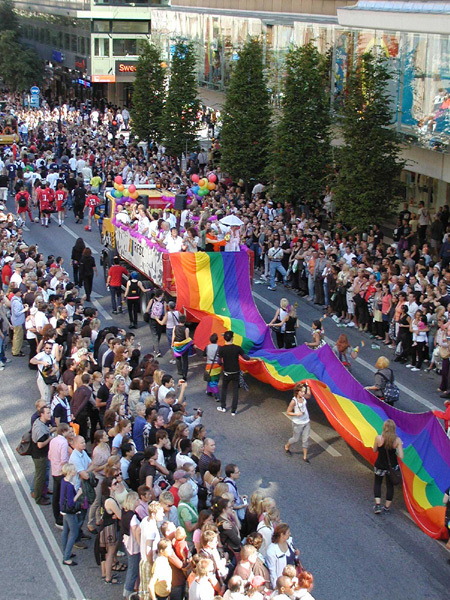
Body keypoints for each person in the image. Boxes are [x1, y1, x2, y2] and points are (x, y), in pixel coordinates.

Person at [373, 419, 404, 514]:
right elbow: (401, 456)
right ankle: (387, 507)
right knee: (390, 486)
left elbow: (374, 450)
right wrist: (398, 448)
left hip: (380, 465)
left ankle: (378, 505)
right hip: (392, 467)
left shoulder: (378, 438)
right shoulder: (397, 440)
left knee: (378, 483)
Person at [217, 331, 249, 416]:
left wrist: (222, 365)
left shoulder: (222, 349)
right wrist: (255, 358)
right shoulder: (237, 348)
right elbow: (246, 357)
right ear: (232, 338)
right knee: (235, 391)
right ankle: (233, 410)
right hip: (236, 372)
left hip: (226, 372)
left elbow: (219, 361)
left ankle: (223, 407)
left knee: (224, 389)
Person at [60, 462, 83, 567]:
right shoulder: (69, 486)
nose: (75, 471)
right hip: (70, 512)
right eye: (73, 470)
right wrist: (78, 494)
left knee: (65, 531)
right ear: (70, 472)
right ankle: (66, 557)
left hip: (64, 510)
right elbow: (71, 502)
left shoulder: (63, 482)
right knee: (74, 532)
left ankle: (65, 551)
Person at [48, 422, 71, 527]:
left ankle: (56, 517)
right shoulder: (64, 443)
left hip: (54, 470)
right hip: (61, 472)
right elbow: (64, 460)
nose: (69, 432)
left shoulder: (53, 440)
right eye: (68, 430)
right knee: (63, 495)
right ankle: (62, 518)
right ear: (63, 431)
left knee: (56, 496)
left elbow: (49, 455)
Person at [31, 405, 53, 505]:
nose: (50, 415)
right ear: (42, 414)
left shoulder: (40, 422)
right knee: (40, 476)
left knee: (41, 475)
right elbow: (40, 445)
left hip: (41, 455)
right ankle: (38, 497)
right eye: (48, 413)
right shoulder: (40, 428)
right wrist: (50, 439)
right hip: (40, 456)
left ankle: (42, 492)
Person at [284, 383, 312, 464]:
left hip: (306, 421)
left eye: (304, 391)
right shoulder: (294, 401)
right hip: (297, 423)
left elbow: (309, 396)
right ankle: (287, 446)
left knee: (305, 439)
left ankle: (305, 457)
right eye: (302, 392)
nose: (304, 393)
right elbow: (288, 412)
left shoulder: (304, 397)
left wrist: (309, 387)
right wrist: (296, 414)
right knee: (295, 439)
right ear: (297, 392)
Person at [266, 523, 298, 590]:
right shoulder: (271, 551)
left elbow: (293, 557)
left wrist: (296, 554)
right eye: (288, 533)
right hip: (284, 583)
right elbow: (272, 571)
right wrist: (276, 586)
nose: (289, 534)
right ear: (282, 535)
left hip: (293, 577)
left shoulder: (289, 542)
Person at [172, 314, 191, 380]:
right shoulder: (186, 329)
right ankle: (184, 374)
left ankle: (180, 371)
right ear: (185, 321)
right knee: (185, 360)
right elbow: (187, 338)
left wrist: (172, 344)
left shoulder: (175, 327)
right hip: (183, 346)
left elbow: (173, 336)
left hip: (176, 344)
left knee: (178, 358)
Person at [147, 289, 166, 357]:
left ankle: (157, 350)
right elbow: (165, 312)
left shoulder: (152, 300)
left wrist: (150, 314)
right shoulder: (163, 302)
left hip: (152, 319)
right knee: (158, 334)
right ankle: (156, 348)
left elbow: (147, 310)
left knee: (154, 334)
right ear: (161, 295)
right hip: (159, 319)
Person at [204, 333, 221, 401]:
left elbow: (204, 356)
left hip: (209, 366)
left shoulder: (207, 347)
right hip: (218, 366)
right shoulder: (219, 347)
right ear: (217, 340)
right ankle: (209, 391)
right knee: (214, 379)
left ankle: (217, 395)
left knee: (211, 380)